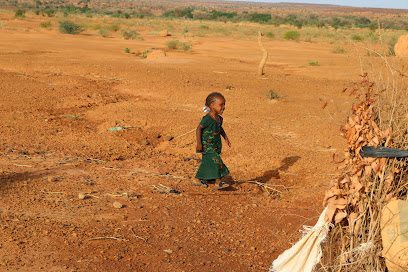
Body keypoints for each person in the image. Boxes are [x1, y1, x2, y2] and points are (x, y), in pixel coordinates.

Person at [192, 92, 231, 190]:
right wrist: (199, 143)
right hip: (207, 146)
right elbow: (198, 129)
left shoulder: (219, 119)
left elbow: (220, 129)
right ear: (212, 105)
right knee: (217, 161)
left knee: (207, 163)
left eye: (224, 104)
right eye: (221, 105)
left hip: (215, 145)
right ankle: (218, 182)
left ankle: (196, 179)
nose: (223, 107)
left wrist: (226, 139)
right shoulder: (207, 119)